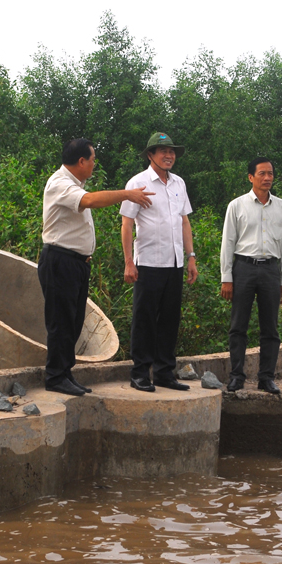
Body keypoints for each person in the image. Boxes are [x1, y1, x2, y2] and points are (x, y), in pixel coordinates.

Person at [39, 138, 155, 396]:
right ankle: (55, 376)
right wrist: (127, 194)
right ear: (81, 161)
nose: (94, 165)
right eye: (92, 160)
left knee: (74, 321)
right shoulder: (60, 183)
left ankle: (65, 373)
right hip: (60, 261)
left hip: (76, 263)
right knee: (61, 321)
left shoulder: (74, 184)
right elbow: (90, 201)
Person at [120, 133, 198, 393]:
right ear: (150, 155)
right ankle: (140, 373)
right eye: (163, 151)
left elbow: (184, 221)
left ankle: (164, 372)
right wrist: (129, 262)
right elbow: (127, 223)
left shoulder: (178, 183)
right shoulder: (138, 183)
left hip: (174, 262)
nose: (169, 155)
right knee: (144, 319)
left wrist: (191, 257)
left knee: (170, 319)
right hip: (149, 263)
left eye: (172, 151)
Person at [219, 157, 282, 394]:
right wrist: (226, 277)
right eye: (262, 173)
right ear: (251, 177)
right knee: (238, 326)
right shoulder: (237, 206)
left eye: (270, 173)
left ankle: (266, 378)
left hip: (271, 270)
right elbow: (228, 243)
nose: (267, 178)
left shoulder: (281, 207)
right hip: (244, 268)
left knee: (270, 328)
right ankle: (237, 376)